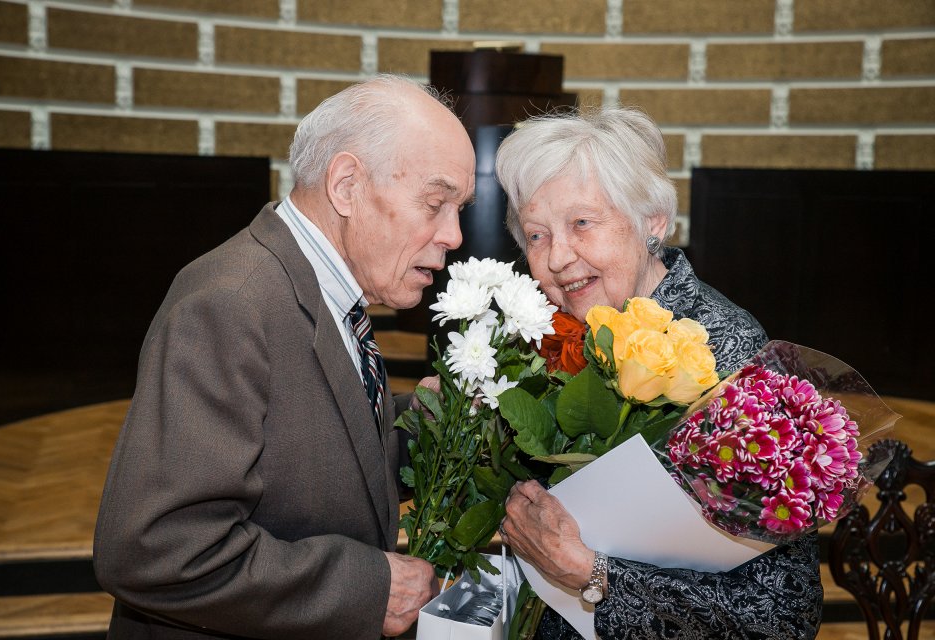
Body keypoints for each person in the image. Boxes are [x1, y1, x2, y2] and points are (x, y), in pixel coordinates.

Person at [93, 75, 476, 639]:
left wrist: (440, 423)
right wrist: (368, 589)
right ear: (347, 185)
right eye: (436, 203)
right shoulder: (232, 303)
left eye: (459, 208)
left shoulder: (324, 285)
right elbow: (157, 549)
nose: (456, 235)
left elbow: (315, 444)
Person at [493, 106, 823, 639]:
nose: (556, 258)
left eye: (581, 223)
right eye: (536, 235)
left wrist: (592, 575)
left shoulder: (729, 356)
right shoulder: (552, 337)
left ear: (654, 221)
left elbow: (781, 614)